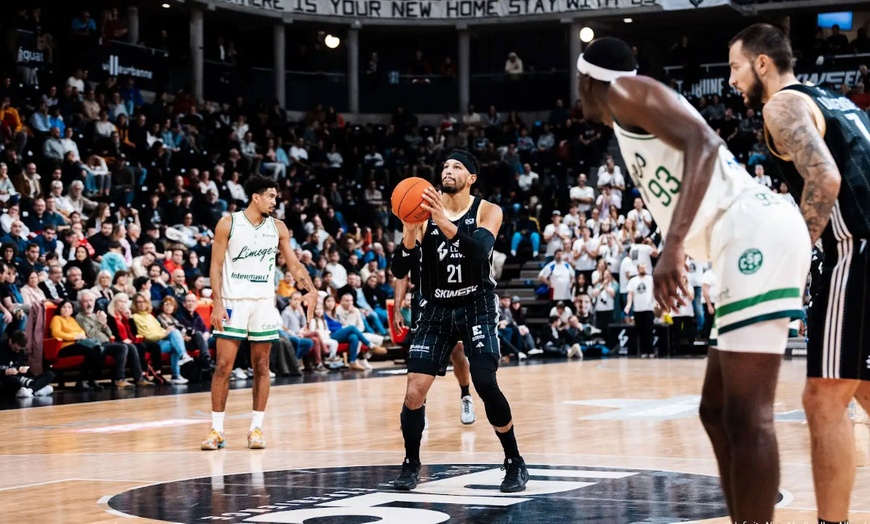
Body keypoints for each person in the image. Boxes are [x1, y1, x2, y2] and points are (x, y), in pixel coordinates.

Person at [576, 37, 810, 522]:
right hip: (737, 236)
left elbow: (704, 142)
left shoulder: (621, 89)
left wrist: (674, 245)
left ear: (585, 80)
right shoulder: (627, 113)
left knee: (749, 415)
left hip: (752, 229)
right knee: (715, 409)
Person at [729, 24, 870, 524]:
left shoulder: (781, 106)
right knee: (864, 390)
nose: (731, 79)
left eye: (735, 67)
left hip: (854, 250)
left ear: (761, 64)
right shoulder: (833, 100)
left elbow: (827, 177)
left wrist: (795, 251)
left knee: (824, 397)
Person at [390, 149, 528, 492]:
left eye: (456, 167)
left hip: (475, 303)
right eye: (445, 166)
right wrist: (409, 233)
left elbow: (479, 252)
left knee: (485, 382)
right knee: (414, 392)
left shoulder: (486, 210)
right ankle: (411, 463)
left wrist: (441, 221)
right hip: (435, 309)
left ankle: (514, 460)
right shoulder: (422, 216)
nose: (448, 170)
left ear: (471, 178)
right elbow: (399, 269)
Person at [202, 176, 318, 451]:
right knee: (222, 366)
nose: (275, 202)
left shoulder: (278, 228)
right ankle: (217, 431)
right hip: (233, 301)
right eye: (271, 197)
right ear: (256, 197)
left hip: (263, 302)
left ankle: (256, 428)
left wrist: (311, 288)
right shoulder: (228, 223)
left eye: (275, 197)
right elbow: (215, 266)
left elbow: (293, 263)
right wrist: (217, 303)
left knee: (262, 366)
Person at [0, 331, 54, 398]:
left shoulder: (21, 351)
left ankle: (31, 390)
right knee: (15, 381)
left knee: (50, 374)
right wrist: (4, 372)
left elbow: (23, 365)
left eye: (19, 350)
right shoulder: (1, 348)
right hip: (7, 379)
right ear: (10, 341)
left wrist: (23, 368)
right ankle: (36, 389)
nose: (17, 351)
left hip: (22, 378)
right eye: (15, 349)